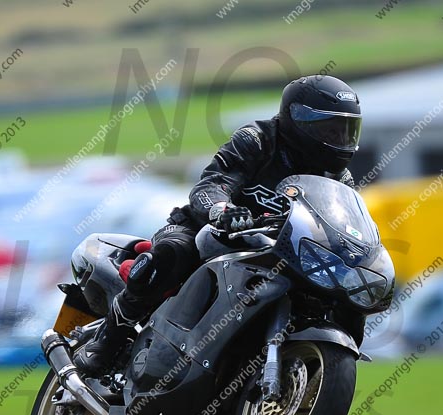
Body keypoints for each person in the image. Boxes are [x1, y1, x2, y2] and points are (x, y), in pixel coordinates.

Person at [73, 74, 364, 375]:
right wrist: (222, 210)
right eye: (330, 128)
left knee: (343, 290)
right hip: (209, 230)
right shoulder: (258, 139)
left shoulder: (339, 180)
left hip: (279, 251)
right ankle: (105, 343)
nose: (339, 139)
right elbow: (212, 184)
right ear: (299, 119)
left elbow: (342, 225)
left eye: (346, 130)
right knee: (172, 254)